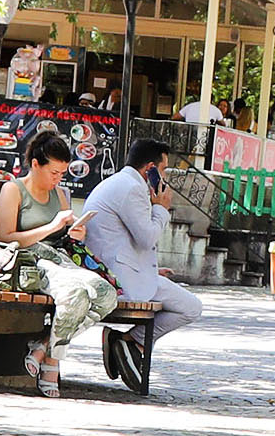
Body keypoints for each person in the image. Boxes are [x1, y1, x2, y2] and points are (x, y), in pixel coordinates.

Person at [0, 128, 122, 393]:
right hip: (29, 262)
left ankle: (43, 347)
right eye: (54, 173)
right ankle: (53, 365)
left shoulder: (58, 194)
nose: (58, 179)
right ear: (35, 164)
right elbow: (5, 237)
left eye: (62, 173)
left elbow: (62, 240)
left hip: (59, 260)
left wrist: (75, 234)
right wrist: (50, 227)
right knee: (76, 294)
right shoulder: (13, 191)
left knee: (106, 293)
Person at [79, 138, 205, 352]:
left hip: (114, 271)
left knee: (186, 304)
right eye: (163, 170)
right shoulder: (132, 189)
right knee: (192, 308)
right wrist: (162, 209)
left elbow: (125, 239)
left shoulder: (120, 182)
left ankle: (131, 342)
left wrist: (152, 269)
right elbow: (147, 238)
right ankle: (132, 340)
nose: (164, 177)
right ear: (150, 169)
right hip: (118, 281)